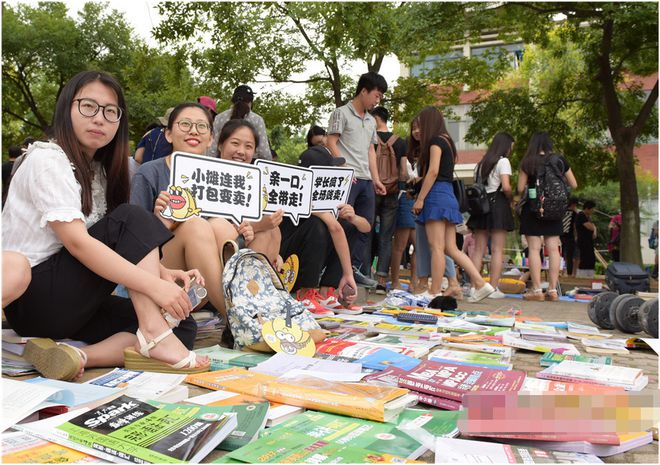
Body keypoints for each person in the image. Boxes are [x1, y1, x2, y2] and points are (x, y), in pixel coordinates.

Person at [2, 70, 209, 380]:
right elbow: (78, 243)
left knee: (181, 325)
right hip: (35, 297)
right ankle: (154, 333)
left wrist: (165, 275)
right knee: (133, 217)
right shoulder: (47, 159)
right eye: (88, 106)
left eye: (109, 111)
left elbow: (114, 244)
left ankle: (76, 355)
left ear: (118, 122)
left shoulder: (98, 172)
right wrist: (155, 285)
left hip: (74, 301)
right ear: (66, 109)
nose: (99, 118)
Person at [130, 102, 254, 323]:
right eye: (185, 124)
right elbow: (132, 239)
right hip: (163, 273)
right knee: (197, 224)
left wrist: (243, 230)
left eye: (201, 126)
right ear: (168, 134)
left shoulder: (222, 177)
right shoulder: (150, 172)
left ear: (210, 138)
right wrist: (159, 221)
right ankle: (238, 320)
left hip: (203, 282)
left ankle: (245, 306)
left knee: (221, 225)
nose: (193, 131)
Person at [410, 106, 494, 301]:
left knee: (437, 247)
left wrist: (420, 198)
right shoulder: (447, 140)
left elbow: (433, 172)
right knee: (450, 248)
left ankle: (434, 293)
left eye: (420, 125)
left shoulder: (435, 141)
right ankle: (481, 284)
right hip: (448, 195)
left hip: (436, 195)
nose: (417, 130)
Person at [280, 145, 363, 316]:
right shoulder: (297, 193)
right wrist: (349, 274)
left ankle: (326, 292)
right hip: (284, 265)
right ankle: (306, 294)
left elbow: (344, 228)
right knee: (317, 225)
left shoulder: (326, 196)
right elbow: (334, 228)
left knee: (348, 226)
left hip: (303, 257)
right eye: (331, 169)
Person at [327, 72, 388, 287]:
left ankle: (355, 268)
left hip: (366, 180)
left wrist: (376, 179)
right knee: (343, 223)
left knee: (365, 225)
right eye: (376, 95)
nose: (377, 100)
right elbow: (331, 141)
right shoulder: (341, 113)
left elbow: (371, 151)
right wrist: (343, 166)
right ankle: (335, 271)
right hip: (347, 179)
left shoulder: (371, 120)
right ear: (363, 91)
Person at [517, 132, 577, 300]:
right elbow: (574, 183)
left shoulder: (527, 162)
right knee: (553, 249)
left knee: (534, 249)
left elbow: (521, 188)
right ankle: (552, 290)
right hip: (555, 210)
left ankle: (536, 290)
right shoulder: (559, 160)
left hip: (533, 208)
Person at [216, 119, 282, 266]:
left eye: (248, 146)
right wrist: (258, 226)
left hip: (247, 250)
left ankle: (260, 282)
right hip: (215, 250)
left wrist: (276, 254)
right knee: (265, 231)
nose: (241, 151)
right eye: (235, 143)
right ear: (220, 145)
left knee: (274, 229)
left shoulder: (255, 184)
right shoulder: (203, 175)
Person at [466, 132, 515, 299]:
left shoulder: (481, 164)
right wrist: (512, 199)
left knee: (478, 250)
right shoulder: (503, 161)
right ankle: (493, 288)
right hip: (498, 204)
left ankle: (474, 287)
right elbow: (506, 187)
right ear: (505, 146)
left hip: (481, 207)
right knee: (497, 250)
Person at [370, 106, 408, 294]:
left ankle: (363, 275)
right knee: (386, 236)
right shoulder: (400, 142)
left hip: (371, 190)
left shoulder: (369, 139)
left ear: (376, 119)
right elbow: (404, 171)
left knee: (366, 231)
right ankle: (381, 282)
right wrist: (400, 189)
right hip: (392, 193)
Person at [208, 85, 271, 160]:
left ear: (232, 101)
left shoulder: (220, 118)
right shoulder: (257, 120)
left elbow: (212, 149)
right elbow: (264, 153)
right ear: (250, 102)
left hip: (222, 164)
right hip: (248, 165)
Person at [575, 200, 597, 278]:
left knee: (590, 257)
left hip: (589, 241)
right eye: (592, 209)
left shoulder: (588, 217)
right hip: (583, 241)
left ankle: (589, 274)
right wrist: (594, 227)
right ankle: (582, 275)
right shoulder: (581, 215)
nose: (593, 211)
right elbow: (589, 227)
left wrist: (594, 228)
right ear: (587, 208)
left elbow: (592, 228)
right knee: (585, 258)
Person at [561, 197, 579, 276]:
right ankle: (569, 273)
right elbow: (575, 226)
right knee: (569, 256)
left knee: (561, 254)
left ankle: (561, 272)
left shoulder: (562, 211)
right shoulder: (574, 214)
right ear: (574, 204)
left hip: (560, 235)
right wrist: (576, 236)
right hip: (570, 236)